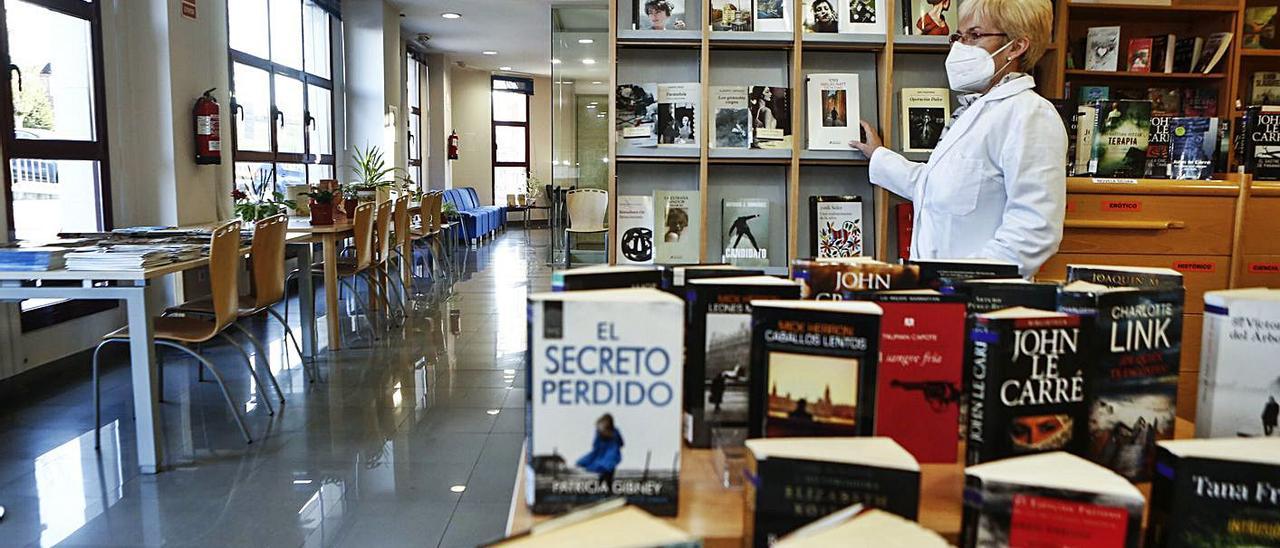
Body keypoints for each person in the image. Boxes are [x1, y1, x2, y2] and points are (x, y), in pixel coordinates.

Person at [850, 0, 1065, 277]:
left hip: (981, 300)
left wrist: (966, 282)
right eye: (959, 36)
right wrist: (879, 155)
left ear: (1016, 46)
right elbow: (934, 186)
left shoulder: (1030, 115)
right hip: (942, 295)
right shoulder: (974, 109)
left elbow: (1035, 229)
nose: (960, 47)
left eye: (974, 36)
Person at [577, 414, 624, 487]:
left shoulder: (614, 431)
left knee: (607, 472)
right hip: (606, 456)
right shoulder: (602, 432)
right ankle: (601, 487)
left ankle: (600, 486)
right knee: (607, 471)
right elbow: (596, 444)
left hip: (610, 456)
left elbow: (621, 443)